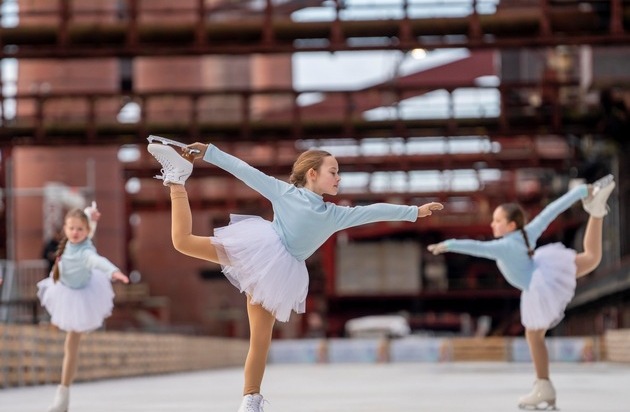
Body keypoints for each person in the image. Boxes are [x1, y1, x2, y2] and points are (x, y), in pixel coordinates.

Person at [146, 141, 444, 412]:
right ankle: (177, 179)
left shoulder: (334, 214)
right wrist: (209, 152)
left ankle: (251, 400)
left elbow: (373, 211)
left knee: (260, 340)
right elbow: (244, 170)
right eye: (333, 172)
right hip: (259, 249)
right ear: (312, 174)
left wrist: (414, 212)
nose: (338, 178)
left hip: (279, 271)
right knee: (182, 242)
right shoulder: (284, 192)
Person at [427, 174, 616, 410]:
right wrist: (582, 192)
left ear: (511, 225)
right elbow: (552, 210)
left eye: (497, 220)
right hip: (544, 269)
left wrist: (448, 245)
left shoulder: (503, 246)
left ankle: (544, 386)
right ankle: (596, 211)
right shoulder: (527, 233)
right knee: (590, 258)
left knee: (534, 336)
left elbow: (476, 247)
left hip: (540, 282)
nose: (492, 225)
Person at [37, 206, 129, 412]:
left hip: (80, 296)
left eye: (80, 229)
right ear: (65, 228)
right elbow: (84, 224)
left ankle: (63, 394)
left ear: (86, 231)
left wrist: (114, 272)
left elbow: (98, 261)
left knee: (71, 346)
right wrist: (90, 214)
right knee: (69, 345)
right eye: (71, 228)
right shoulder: (71, 241)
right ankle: (63, 395)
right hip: (62, 289)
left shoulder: (86, 252)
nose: (75, 233)